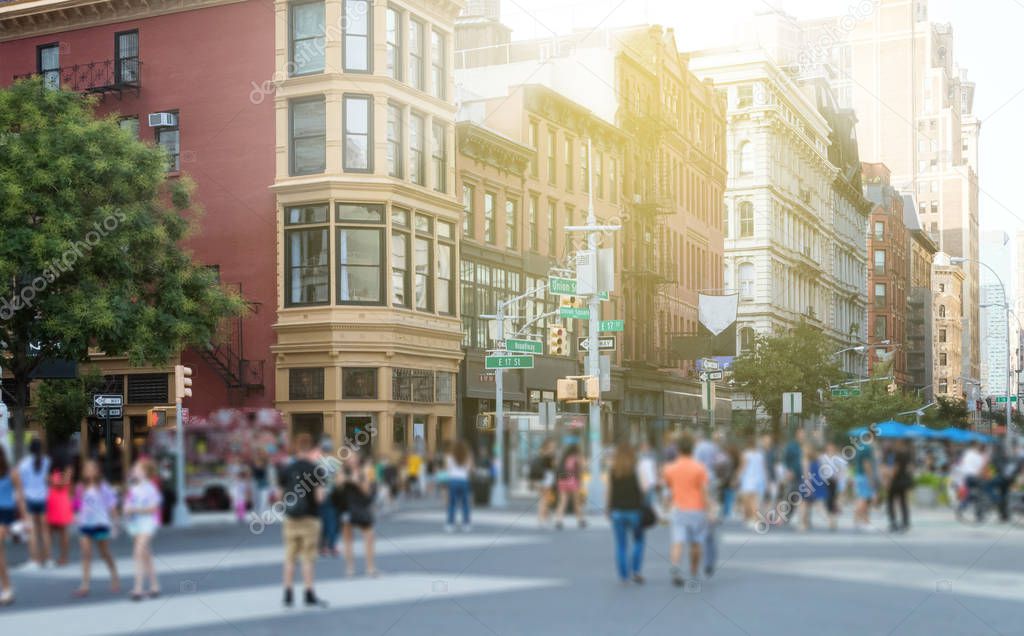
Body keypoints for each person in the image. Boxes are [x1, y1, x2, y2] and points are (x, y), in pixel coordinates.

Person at [278, 433, 328, 607]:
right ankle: (308, 593)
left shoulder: (286, 469)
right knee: (308, 558)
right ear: (312, 449)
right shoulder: (316, 469)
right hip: (310, 518)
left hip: (291, 519)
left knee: (290, 557)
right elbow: (319, 497)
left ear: (296, 448)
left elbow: (279, 496)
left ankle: (288, 593)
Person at [662, 433, 712, 586]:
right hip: (697, 509)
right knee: (696, 543)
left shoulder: (669, 468)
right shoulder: (700, 468)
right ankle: (693, 570)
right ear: (692, 449)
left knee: (677, 541)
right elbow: (704, 491)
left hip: (678, 509)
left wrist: (665, 506)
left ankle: (675, 567)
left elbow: (667, 490)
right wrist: (709, 510)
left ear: (678, 449)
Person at [73, 459, 120, 597]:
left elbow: (111, 505)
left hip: (101, 524)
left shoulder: (103, 487)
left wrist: (116, 522)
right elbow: (76, 504)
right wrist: (75, 514)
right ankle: (85, 584)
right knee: (86, 554)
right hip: (85, 525)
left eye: (92, 468)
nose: (89, 471)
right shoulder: (80, 487)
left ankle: (114, 575)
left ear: (97, 471)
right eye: (86, 469)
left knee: (104, 553)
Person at [607, 443, 646, 584]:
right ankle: (635, 571)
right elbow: (644, 488)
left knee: (621, 545)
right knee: (638, 541)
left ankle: (623, 576)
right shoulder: (636, 470)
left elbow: (609, 492)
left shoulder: (613, 471)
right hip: (634, 511)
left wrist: (608, 508)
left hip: (617, 511)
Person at [124, 458, 163, 600]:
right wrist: (128, 510)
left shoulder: (150, 488)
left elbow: (153, 508)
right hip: (136, 524)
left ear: (145, 473)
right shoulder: (133, 489)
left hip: (147, 523)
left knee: (138, 552)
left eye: (138, 469)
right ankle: (154, 585)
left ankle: (138, 588)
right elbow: (128, 504)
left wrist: (134, 509)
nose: (135, 471)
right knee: (146, 555)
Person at [336, 451, 378, 577]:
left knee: (369, 536)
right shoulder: (342, 471)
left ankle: (370, 567)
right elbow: (338, 485)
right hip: (347, 508)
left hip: (362, 507)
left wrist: (356, 481)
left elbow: (367, 491)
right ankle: (350, 568)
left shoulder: (364, 471)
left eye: (354, 457)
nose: (352, 460)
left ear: (358, 458)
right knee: (347, 539)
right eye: (349, 457)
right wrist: (347, 479)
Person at [0, 446, 28, 605]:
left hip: (5, 513)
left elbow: (20, 498)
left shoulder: (12, 473)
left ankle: (7, 588)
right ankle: (6, 587)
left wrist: (25, 519)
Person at [17, 438, 51, 569]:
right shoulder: (46, 461)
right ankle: (48, 559)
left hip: (29, 499)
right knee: (44, 531)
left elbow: (21, 484)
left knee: (32, 531)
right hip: (43, 498)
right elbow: (47, 479)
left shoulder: (24, 464)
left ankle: (34, 560)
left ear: (29, 449)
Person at [46, 454, 74, 566]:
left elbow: (62, 483)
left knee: (61, 531)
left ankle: (63, 557)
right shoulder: (65, 469)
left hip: (59, 500)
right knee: (53, 531)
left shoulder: (56, 471)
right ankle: (53, 557)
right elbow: (65, 482)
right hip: (59, 501)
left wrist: (53, 482)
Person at [736, 436, 767, 529]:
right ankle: (752, 518)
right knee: (754, 501)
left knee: (749, 501)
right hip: (759, 479)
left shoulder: (746, 454)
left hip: (748, 479)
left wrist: (737, 477)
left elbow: (743, 467)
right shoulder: (760, 454)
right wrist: (765, 480)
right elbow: (763, 468)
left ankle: (755, 519)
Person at [317, 437, 341, 557]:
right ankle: (333, 545)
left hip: (320, 494)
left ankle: (323, 546)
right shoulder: (336, 463)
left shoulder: (317, 463)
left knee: (321, 520)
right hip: (333, 494)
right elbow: (339, 480)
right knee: (333, 520)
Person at [554, 445, 586, 530]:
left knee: (562, 502)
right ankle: (580, 520)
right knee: (576, 502)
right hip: (572, 481)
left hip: (562, 481)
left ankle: (558, 520)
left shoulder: (563, 458)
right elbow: (580, 470)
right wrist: (581, 482)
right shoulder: (577, 457)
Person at [444, 440, 473, 533]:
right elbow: (469, 469)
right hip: (464, 480)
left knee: (452, 503)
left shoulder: (449, 456)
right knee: (465, 503)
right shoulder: (467, 457)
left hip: (453, 480)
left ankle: (450, 524)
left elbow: (448, 469)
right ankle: (466, 524)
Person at [852, 440, 878, 531]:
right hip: (865, 477)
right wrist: (871, 479)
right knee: (864, 499)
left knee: (863, 499)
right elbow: (866, 464)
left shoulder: (861, 446)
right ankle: (864, 522)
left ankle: (861, 521)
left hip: (859, 475)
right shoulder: (867, 448)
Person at [887, 439, 913, 532]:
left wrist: (889, 480)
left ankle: (893, 522)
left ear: (899, 443)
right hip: (904, 480)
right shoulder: (908, 453)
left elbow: (895, 469)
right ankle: (905, 522)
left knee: (890, 501)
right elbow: (910, 468)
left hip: (896, 481)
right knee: (903, 502)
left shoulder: (898, 454)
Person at [530, 439, 558, 527]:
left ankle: (545, 516)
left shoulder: (541, 453)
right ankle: (541, 518)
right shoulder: (548, 455)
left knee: (544, 498)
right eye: (552, 446)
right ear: (547, 446)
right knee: (544, 499)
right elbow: (552, 466)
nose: (553, 448)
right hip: (545, 477)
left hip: (542, 477)